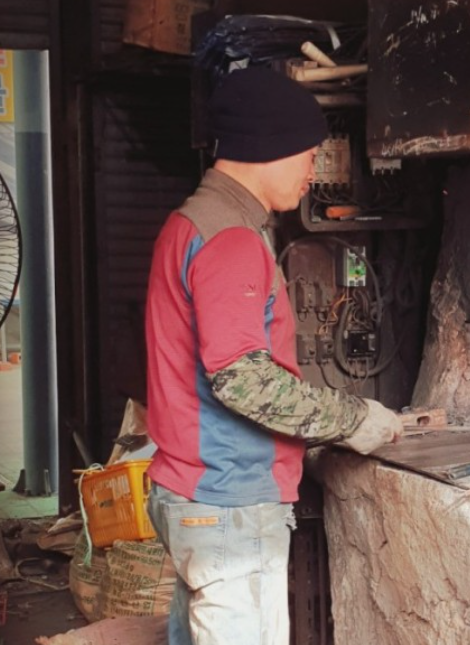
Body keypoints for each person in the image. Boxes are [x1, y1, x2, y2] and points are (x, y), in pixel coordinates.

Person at [144, 66, 403, 645]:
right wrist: (353, 419)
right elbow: (242, 378)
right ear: (271, 149)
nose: (313, 172)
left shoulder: (190, 223)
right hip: (229, 502)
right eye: (309, 155)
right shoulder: (230, 238)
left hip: (196, 492)